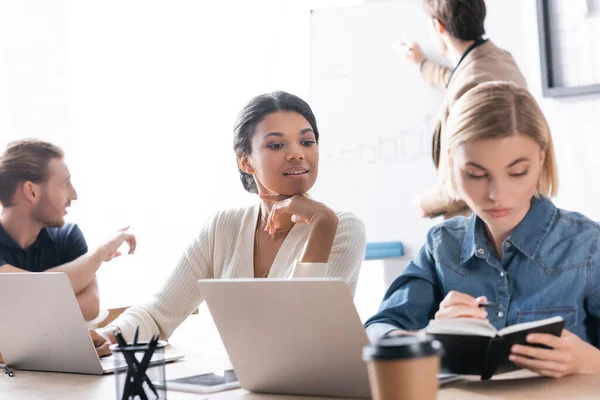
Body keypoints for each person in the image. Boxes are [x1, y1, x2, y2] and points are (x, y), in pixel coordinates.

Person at [90, 91, 366, 355]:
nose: (297, 153)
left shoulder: (341, 227)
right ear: (246, 162)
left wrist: (323, 222)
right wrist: (107, 335)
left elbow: (301, 332)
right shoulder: (223, 226)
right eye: (276, 145)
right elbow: (159, 313)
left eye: (307, 142)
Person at [365, 82, 600, 378]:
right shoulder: (442, 246)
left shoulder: (589, 246)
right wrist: (427, 336)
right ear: (452, 161)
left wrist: (591, 362)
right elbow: (376, 330)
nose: (495, 194)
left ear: (541, 157)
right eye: (475, 174)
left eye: (517, 172)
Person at [397, 0, 526, 219]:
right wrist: (422, 64)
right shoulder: (499, 60)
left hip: (484, 227)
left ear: (438, 26)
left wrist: (424, 204)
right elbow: (459, 80)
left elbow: (467, 180)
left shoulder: (470, 85)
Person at [0, 139, 137, 321]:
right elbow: (31, 291)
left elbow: (90, 306)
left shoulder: (68, 237)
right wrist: (99, 254)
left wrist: (16, 309)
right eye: (64, 183)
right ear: (31, 191)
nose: (74, 195)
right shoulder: (91, 255)